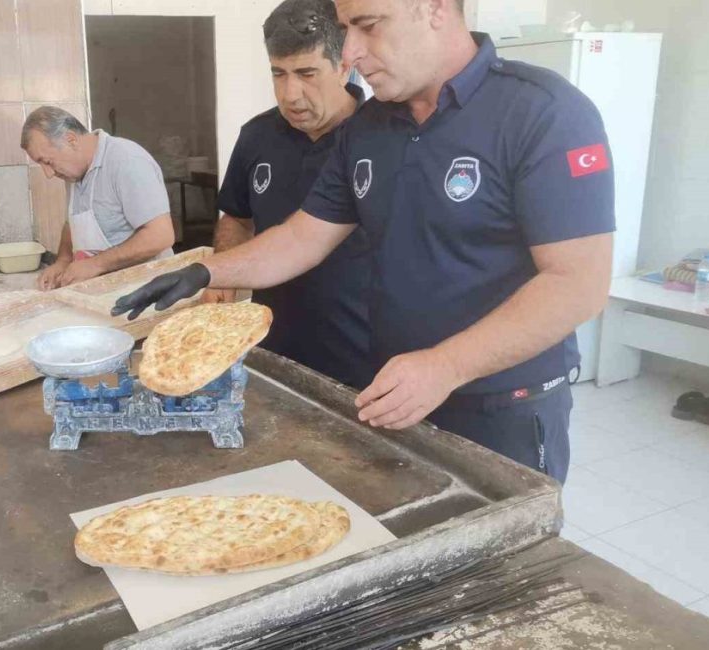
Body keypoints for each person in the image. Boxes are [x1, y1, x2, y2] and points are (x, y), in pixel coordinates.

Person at [114, 0, 616, 483]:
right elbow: (302, 237)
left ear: (435, 8)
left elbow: (578, 284)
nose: (350, 52)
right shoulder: (372, 127)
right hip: (392, 393)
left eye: (368, 25)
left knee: (502, 563)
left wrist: (446, 365)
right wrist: (206, 271)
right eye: (345, 28)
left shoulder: (541, 112)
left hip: (502, 407)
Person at [203, 0, 373, 389]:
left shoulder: (380, 138)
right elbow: (237, 217)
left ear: (344, 63)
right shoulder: (256, 136)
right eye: (278, 74)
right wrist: (221, 278)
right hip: (272, 348)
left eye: (306, 73)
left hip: (362, 364)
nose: (291, 94)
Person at [20, 106, 176, 290]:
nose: (48, 173)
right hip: (108, 289)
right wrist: (63, 260)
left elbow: (161, 236)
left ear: (71, 140)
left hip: (147, 288)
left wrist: (95, 264)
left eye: (47, 162)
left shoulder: (127, 161)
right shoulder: (73, 173)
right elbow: (73, 223)